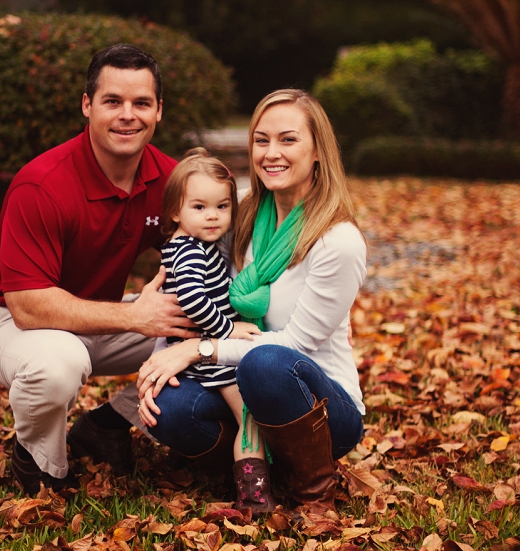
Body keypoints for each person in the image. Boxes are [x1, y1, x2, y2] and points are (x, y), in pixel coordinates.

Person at [132, 89, 367, 513]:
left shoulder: (338, 241)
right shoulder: (239, 216)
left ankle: (312, 492)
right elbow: (190, 291)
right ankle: (253, 472)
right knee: (170, 407)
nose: (271, 153)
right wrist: (159, 361)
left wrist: (199, 349)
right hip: (240, 382)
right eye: (261, 140)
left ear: (318, 151)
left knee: (268, 363)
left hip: (321, 406)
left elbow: (295, 347)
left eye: (288, 139)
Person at [0, 44, 197, 494]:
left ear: (159, 112)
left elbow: (225, 247)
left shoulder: (172, 181)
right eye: (112, 101)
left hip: (105, 321)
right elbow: (28, 306)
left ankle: (108, 423)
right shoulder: (42, 184)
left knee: (211, 333)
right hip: (15, 328)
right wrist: (137, 316)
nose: (127, 115)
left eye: (141, 103)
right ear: (87, 105)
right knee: (60, 362)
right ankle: (39, 465)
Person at [149, 147, 278, 515]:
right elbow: (191, 297)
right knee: (249, 416)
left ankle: (194, 461)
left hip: (201, 352)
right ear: (175, 211)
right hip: (209, 357)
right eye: (200, 207)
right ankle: (254, 497)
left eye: (222, 207)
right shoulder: (190, 250)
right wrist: (227, 331)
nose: (213, 216)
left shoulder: (194, 243)